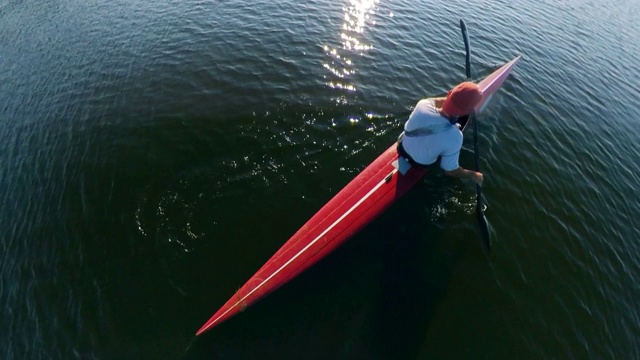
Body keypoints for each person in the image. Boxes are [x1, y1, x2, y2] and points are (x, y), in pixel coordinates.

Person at [398, 81, 484, 185]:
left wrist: (455, 99)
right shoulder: (456, 137)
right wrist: (472, 174)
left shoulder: (423, 104)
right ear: (468, 112)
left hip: (401, 147)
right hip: (420, 164)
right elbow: (450, 171)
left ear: (449, 93)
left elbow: (438, 101)